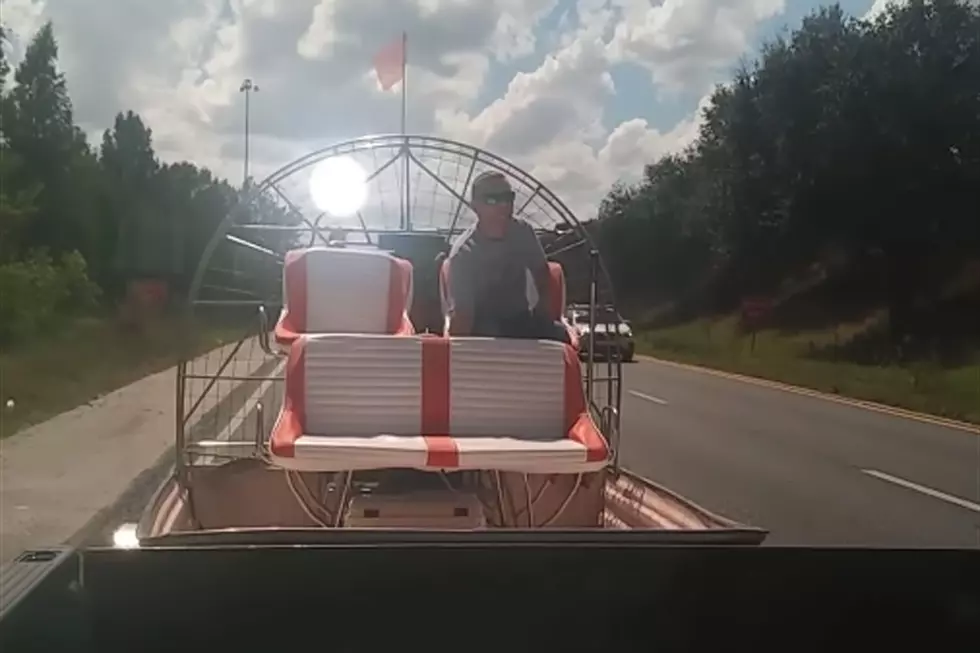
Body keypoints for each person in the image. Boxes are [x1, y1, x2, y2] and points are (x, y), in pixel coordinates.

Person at [445, 171, 570, 344]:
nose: (503, 205)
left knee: (559, 336)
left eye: (508, 197)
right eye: (492, 199)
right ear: (475, 206)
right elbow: (463, 314)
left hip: (519, 321)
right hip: (480, 327)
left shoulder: (523, 231)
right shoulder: (463, 253)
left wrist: (542, 314)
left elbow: (542, 273)